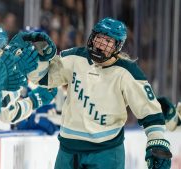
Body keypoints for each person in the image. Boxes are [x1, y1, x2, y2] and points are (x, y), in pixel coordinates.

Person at [27, 17, 172, 169]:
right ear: (92, 37)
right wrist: (40, 58)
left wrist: (157, 140)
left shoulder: (127, 72)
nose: (101, 44)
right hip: (68, 149)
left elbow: (149, 111)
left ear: (117, 46)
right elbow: (43, 78)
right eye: (99, 38)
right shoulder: (74, 57)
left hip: (106, 153)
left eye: (108, 41)